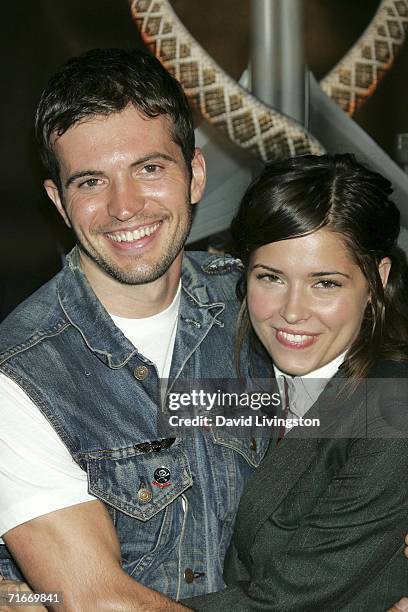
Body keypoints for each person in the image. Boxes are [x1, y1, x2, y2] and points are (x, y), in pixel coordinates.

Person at [0, 48, 271, 610]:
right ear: (59, 202)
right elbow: (97, 601)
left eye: (149, 169)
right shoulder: (20, 376)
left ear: (195, 175)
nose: (124, 207)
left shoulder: (262, 302)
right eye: (91, 182)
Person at [178, 154, 408, 610]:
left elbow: (283, 601)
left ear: (376, 281)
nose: (292, 311)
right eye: (271, 277)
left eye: (325, 283)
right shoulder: (223, 356)